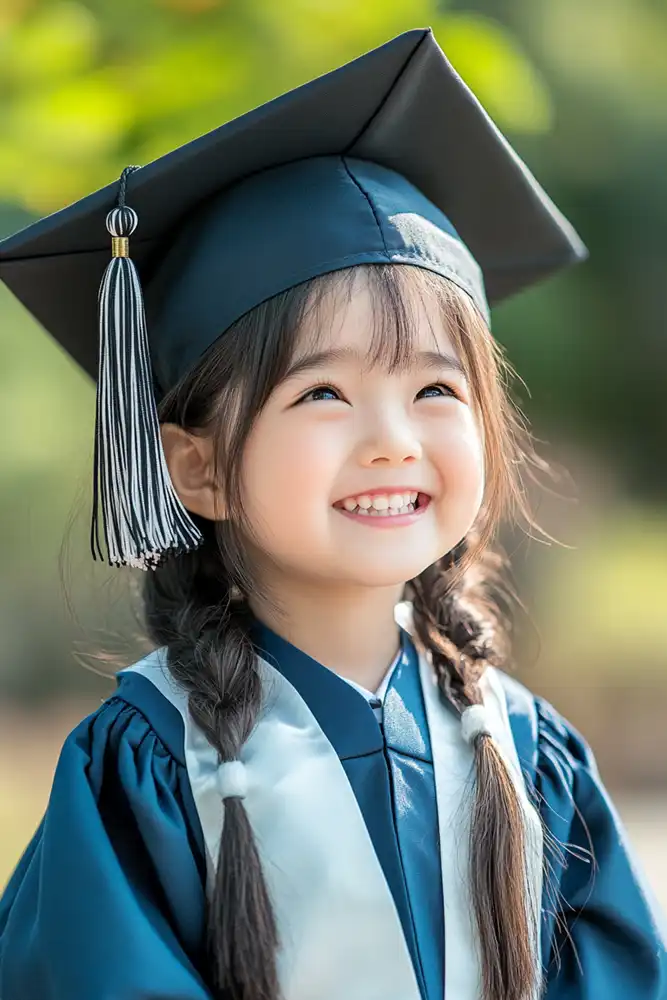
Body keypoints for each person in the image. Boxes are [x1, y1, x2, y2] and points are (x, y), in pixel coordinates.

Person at [0, 26, 664, 1000]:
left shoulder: (527, 757)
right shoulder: (147, 770)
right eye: (322, 394)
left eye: (436, 390)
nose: (393, 437)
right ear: (195, 469)